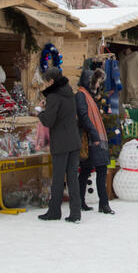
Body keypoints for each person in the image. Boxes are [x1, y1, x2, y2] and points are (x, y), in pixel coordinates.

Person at [36, 67, 82, 223]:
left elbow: (49, 120)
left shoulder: (54, 97)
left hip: (61, 143)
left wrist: (40, 112)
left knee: (57, 179)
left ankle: (54, 211)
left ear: (51, 81)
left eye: (46, 82)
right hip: (74, 141)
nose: (45, 86)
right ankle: (75, 213)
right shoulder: (69, 93)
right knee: (72, 178)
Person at [76, 67, 113, 214]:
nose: (98, 86)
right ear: (89, 82)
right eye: (96, 82)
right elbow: (84, 116)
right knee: (99, 169)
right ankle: (103, 204)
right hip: (91, 139)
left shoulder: (88, 95)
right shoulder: (81, 95)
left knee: (87, 170)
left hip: (93, 138)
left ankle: (82, 201)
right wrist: (94, 134)